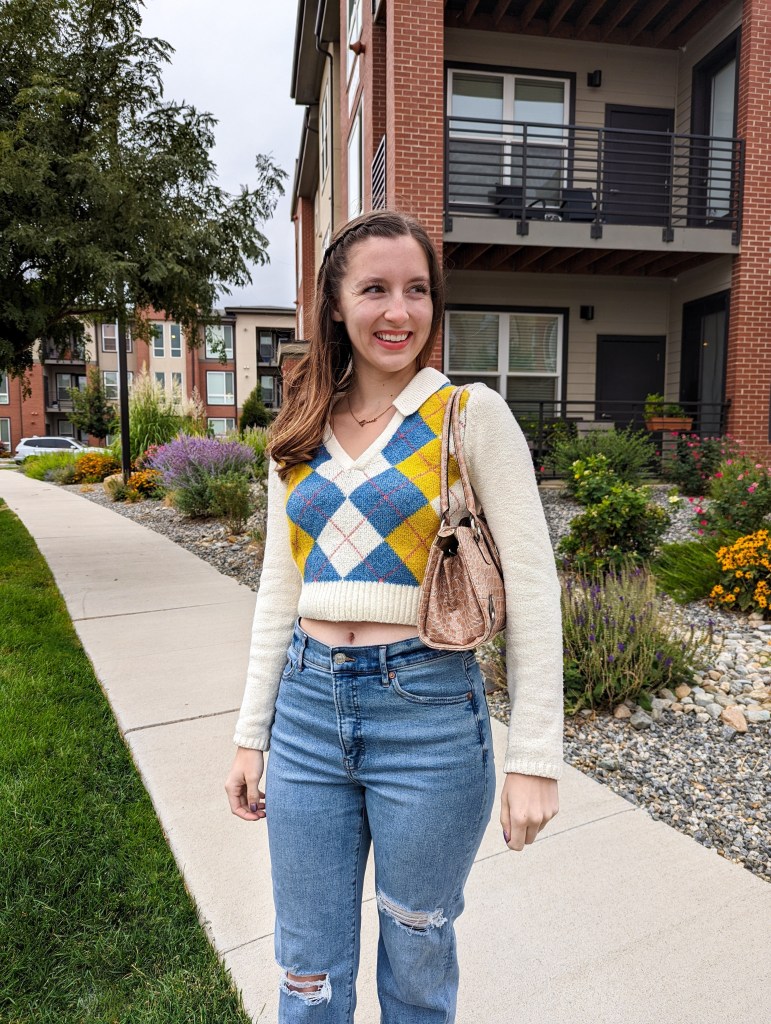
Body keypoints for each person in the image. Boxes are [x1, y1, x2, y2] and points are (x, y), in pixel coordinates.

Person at [225, 209, 563, 1022]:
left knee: (416, 952)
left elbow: (534, 585)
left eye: (416, 290)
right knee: (305, 967)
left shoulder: (467, 415)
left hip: (427, 713)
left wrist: (535, 757)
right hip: (306, 713)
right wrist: (249, 734)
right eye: (374, 289)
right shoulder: (299, 429)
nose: (398, 312)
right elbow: (281, 587)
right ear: (335, 305)